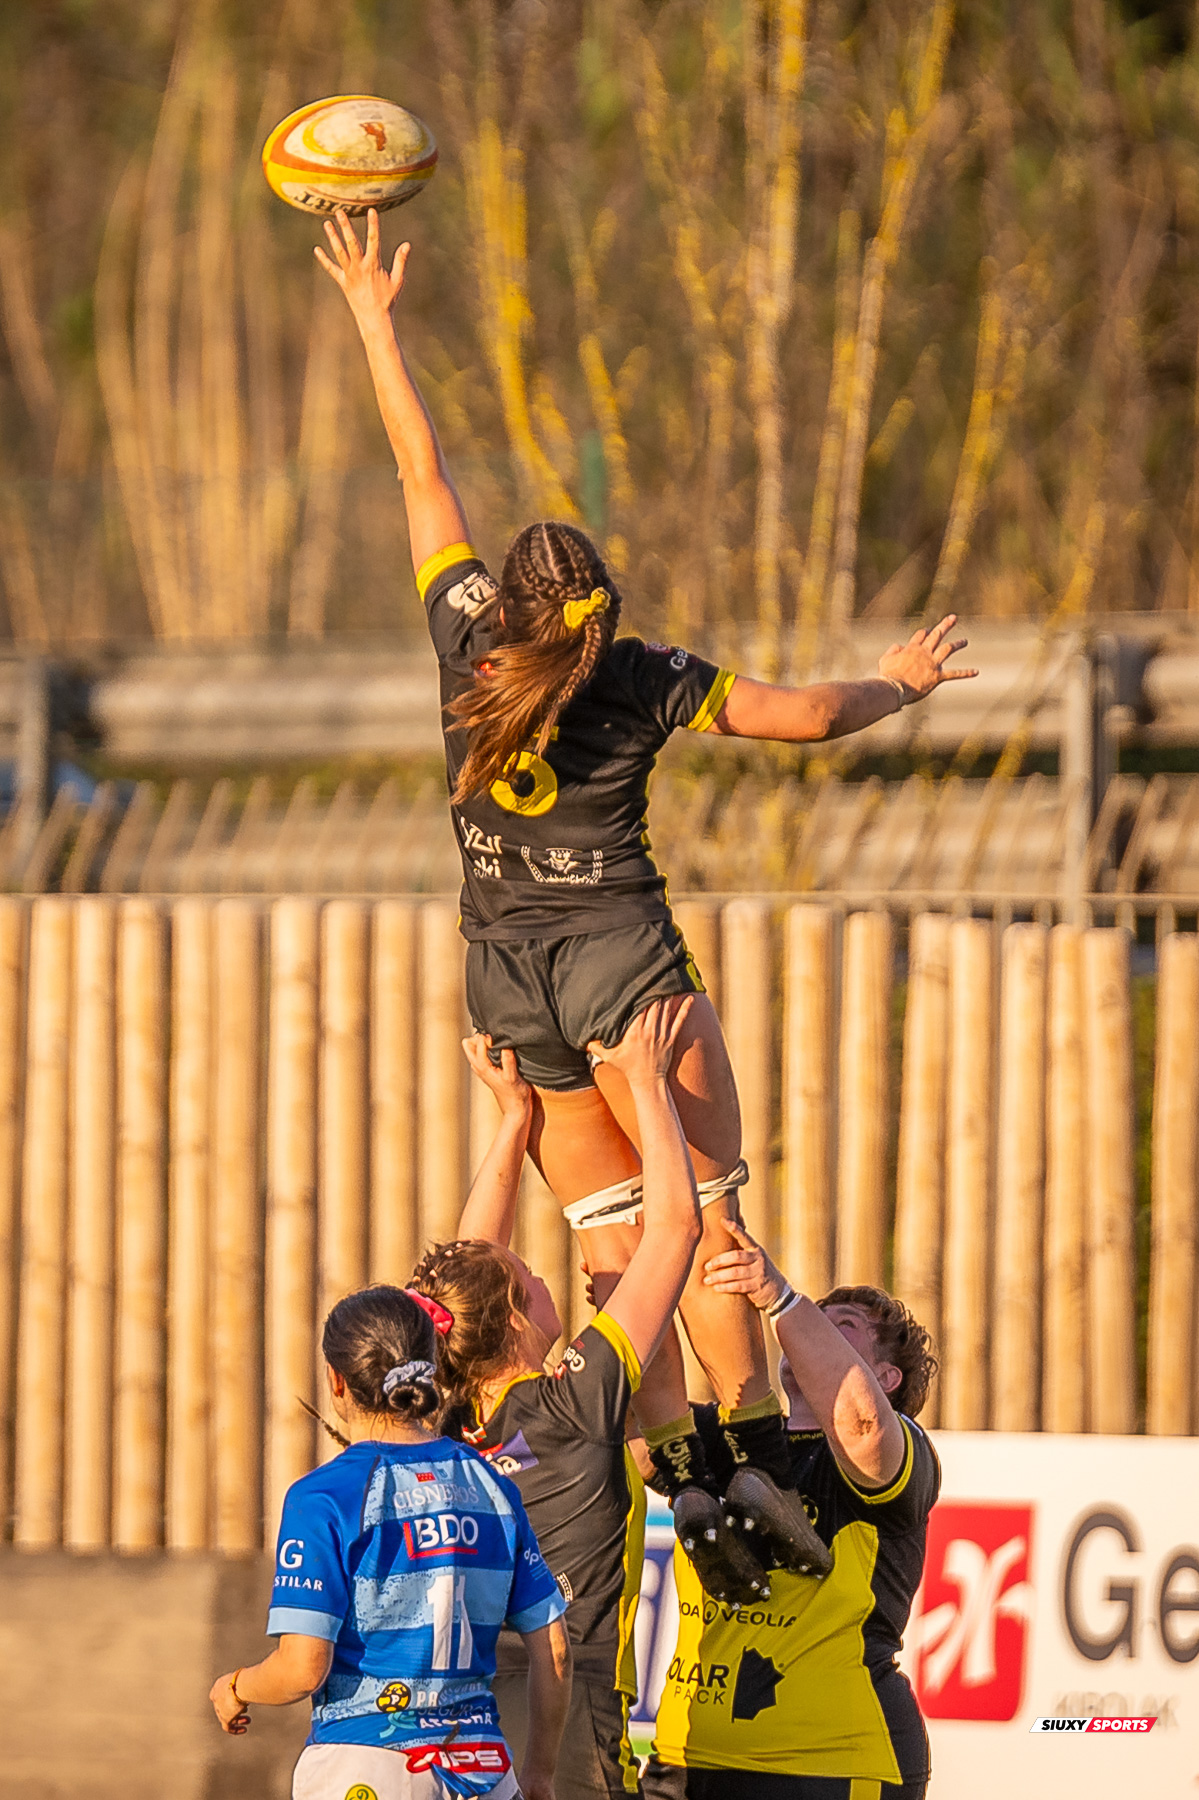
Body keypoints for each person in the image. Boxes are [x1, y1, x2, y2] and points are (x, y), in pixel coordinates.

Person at [314, 207, 974, 1598]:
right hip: (627, 973)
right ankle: (746, 1467)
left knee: (620, 1265)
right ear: (597, 621)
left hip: (510, 985)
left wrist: (374, 317)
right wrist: (898, 686)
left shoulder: (462, 645)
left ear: (506, 609)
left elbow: (417, 469)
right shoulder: (645, 676)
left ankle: (677, 1484)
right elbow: (796, 717)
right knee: (717, 1230)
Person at [409, 1000, 703, 1800]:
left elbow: (469, 1270)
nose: (550, 1288)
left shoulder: (442, 1412)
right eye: (534, 1286)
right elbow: (674, 1230)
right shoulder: (575, 1400)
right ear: (514, 1318)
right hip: (566, 1725)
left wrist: (513, 1122)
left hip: (452, 1724)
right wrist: (648, 1087)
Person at [209, 1284, 571, 1800]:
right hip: (485, 1770)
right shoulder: (493, 1487)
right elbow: (554, 1649)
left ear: (337, 1380)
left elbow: (302, 1668)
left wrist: (237, 1687)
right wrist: (539, 1775)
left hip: (367, 1767)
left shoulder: (324, 1497)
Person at [641, 1220, 940, 1800]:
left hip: (830, 1763)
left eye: (840, 1327)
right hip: (684, 1759)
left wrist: (781, 1299)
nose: (808, 1333)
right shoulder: (730, 1434)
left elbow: (863, 1425)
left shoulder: (903, 1446)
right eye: (813, 1321)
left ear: (885, 1378)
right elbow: (628, 1433)